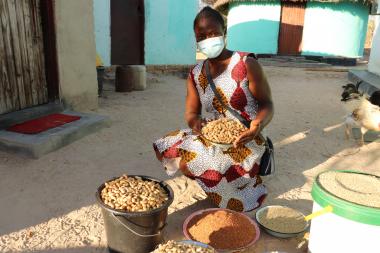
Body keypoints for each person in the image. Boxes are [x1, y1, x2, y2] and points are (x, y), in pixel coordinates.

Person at [153, 6, 274, 212]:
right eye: (202, 36)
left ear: (224, 32)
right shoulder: (196, 73)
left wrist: (257, 125)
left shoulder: (246, 63)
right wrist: (196, 123)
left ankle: (238, 181)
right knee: (165, 144)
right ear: (196, 39)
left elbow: (267, 104)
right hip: (214, 134)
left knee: (191, 164)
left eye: (213, 33)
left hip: (246, 138)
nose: (208, 39)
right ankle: (217, 174)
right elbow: (191, 113)